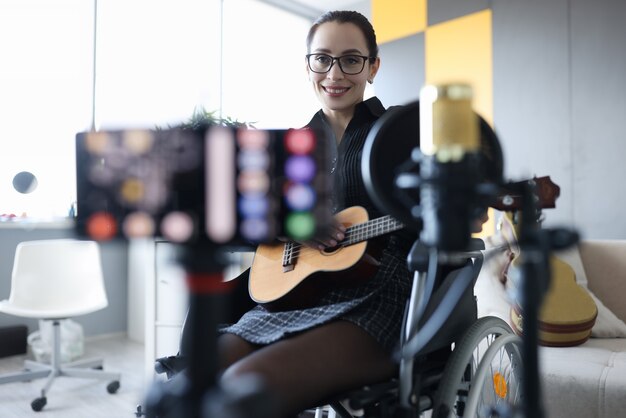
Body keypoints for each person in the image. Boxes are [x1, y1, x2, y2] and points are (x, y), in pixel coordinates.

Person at [217, 10, 415, 418]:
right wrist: (295, 226)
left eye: (351, 59)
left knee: (243, 389)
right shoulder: (292, 147)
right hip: (296, 294)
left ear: (373, 66)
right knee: (193, 378)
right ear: (308, 65)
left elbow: (436, 213)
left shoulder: (401, 131)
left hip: (378, 292)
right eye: (322, 58)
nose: (334, 73)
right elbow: (251, 224)